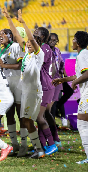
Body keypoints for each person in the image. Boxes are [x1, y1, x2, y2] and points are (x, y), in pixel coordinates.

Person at [4, 8, 45, 158]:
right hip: (27, 91)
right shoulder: (27, 54)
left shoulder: (38, 55)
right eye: (26, 42)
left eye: (30, 43)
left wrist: (23, 22)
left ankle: (39, 149)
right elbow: (16, 35)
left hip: (33, 92)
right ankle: (37, 149)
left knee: (27, 121)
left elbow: (32, 39)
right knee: (27, 121)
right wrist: (9, 18)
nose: (28, 44)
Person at [53, 31, 88, 164]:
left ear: (78, 43)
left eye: (73, 39)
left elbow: (87, 74)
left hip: (87, 94)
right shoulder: (83, 54)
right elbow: (80, 74)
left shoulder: (82, 55)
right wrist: (64, 80)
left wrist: (74, 83)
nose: (72, 41)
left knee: (82, 123)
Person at [0, 28, 26, 157]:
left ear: (10, 35)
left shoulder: (15, 47)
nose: (0, 36)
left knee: (21, 115)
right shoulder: (1, 49)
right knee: (9, 115)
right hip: (6, 85)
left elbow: (21, 65)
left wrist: (4, 66)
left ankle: (24, 145)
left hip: (18, 83)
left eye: (3, 34)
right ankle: (15, 145)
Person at [33, 26, 58, 155]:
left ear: (42, 36)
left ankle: (52, 144)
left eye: (36, 33)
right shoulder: (46, 48)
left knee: (39, 117)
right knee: (41, 116)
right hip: (45, 85)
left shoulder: (43, 49)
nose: (33, 34)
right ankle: (42, 145)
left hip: (46, 87)